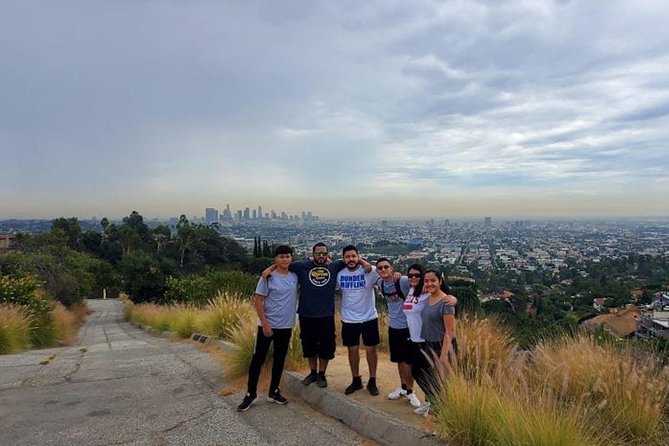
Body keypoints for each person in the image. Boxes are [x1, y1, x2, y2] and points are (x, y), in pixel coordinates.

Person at [264, 242, 370, 389]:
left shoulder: (334, 266)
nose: (321, 256)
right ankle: (313, 372)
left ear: (328, 255)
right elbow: (283, 264)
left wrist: (365, 264)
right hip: (306, 314)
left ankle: (321, 374)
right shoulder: (302, 266)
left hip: (326, 315)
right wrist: (268, 269)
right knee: (309, 345)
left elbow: (352, 259)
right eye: (318, 253)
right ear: (312, 254)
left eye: (324, 254)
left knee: (327, 346)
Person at [237, 245, 299, 412]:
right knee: (258, 360)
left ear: (291, 258)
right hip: (267, 325)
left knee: (279, 360)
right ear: (276, 259)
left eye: (287, 256)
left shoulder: (295, 275)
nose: (284, 259)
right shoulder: (268, 277)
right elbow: (258, 301)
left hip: (286, 326)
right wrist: (265, 323)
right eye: (281, 256)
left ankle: (274, 391)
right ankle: (250, 394)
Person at [375, 258, 421, 408]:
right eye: (380, 268)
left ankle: (410, 391)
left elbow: (421, 281)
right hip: (393, 327)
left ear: (392, 268)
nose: (383, 270)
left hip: (407, 327)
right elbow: (367, 267)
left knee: (409, 362)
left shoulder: (402, 281)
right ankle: (403, 387)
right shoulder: (381, 283)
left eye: (386, 267)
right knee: (399, 360)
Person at [412, 269, 457, 417]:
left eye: (433, 280)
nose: (429, 283)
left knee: (439, 380)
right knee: (419, 371)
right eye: (426, 281)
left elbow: (450, 331)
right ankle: (432, 402)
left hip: (442, 345)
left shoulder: (446, 302)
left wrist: (443, 355)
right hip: (428, 343)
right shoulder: (428, 297)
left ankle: (438, 413)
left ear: (440, 281)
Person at [337, 245, 381, 396]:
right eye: (347, 257)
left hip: (369, 317)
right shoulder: (339, 274)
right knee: (352, 350)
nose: (351, 259)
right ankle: (356, 380)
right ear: (343, 259)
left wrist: (365, 264)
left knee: (371, 349)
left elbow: (386, 277)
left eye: (353, 256)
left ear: (358, 257)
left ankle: (372, 380)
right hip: (349, 319)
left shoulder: (370, 271)